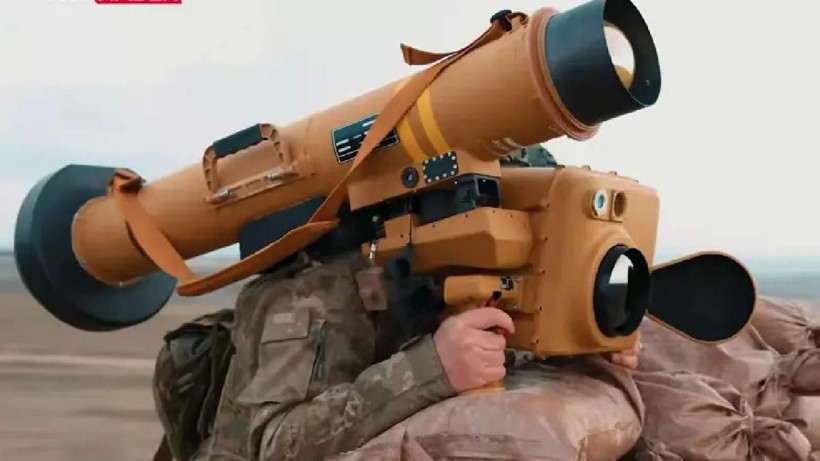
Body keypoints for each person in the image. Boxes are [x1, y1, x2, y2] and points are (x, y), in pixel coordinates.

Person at [159, 246, 640, 461]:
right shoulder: (315, 294)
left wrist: (591, 340)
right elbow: (272, 444)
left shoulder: (460, 277)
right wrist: (433, 367)